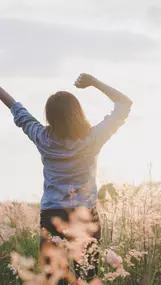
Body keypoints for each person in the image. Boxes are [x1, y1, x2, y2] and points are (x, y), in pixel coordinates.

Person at [0, 73, 133, 283]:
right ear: (77, 113)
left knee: (53, 279)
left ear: (50, 117)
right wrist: (95, 83)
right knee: (87, 277)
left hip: (53, 216)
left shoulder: (42, 138)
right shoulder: (93, 138)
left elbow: (15, 107)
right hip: (86, 216)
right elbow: (125, 104)